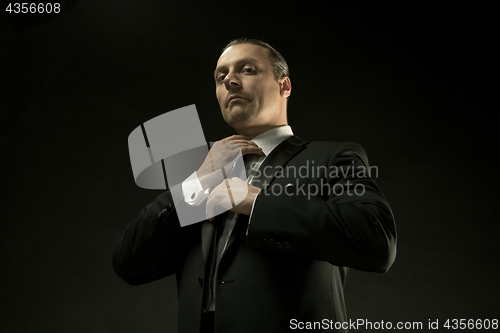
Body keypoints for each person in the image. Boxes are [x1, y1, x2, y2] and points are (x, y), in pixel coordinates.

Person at [113, 38, 397, 333]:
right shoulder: (202, 177)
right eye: (220, 76)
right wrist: (196, 182)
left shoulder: (331, 157)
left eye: (247, 70)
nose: (230, 81)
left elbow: (378, 242)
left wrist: (255, 202)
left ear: (284, 86)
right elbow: (128, 264)